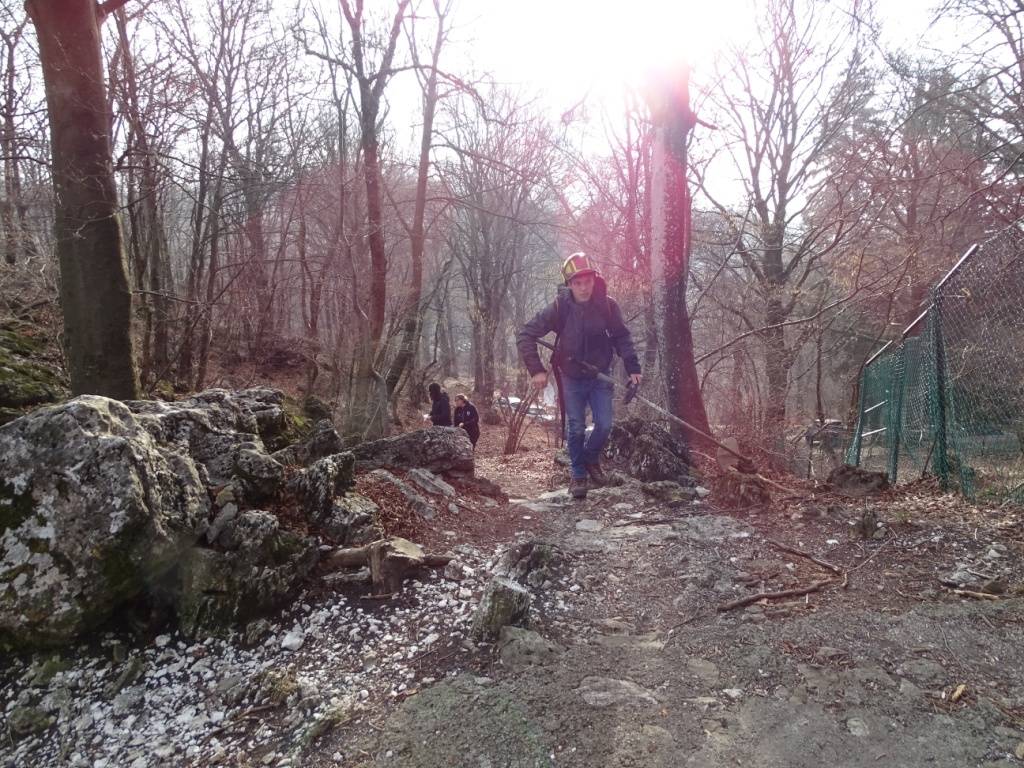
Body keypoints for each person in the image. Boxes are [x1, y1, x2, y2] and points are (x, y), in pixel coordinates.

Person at [516, 252, 642, 499]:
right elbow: (525, 335)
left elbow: (622, 337)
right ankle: (578, 475)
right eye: (577, 282)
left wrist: (633, 368)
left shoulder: (607, 305)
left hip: (599, 376)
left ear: (594, 280)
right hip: (571, 377)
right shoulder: (559, 307)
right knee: (575, 428)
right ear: (569, 284)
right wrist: (537, 370)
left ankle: (590, 458)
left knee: (605, 425)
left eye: (588, 281)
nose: (584, 287)